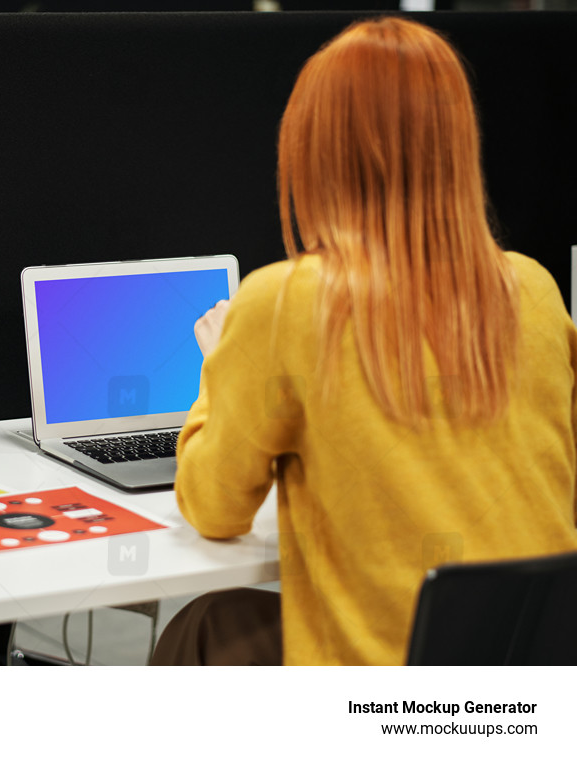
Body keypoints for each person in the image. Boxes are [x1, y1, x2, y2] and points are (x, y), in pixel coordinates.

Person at [150, 16, 577, 665]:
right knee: (217, 619)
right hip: (529, 686)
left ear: (319, 151)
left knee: (201, 631)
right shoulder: (536, 291)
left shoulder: (284, 302)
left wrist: (220, 369)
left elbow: (213, 509)